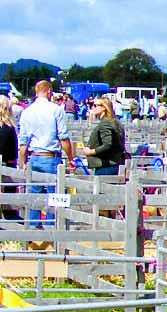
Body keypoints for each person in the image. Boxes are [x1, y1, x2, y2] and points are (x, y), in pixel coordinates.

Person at [17, 81, 75, 228]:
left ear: (36, 92)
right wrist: (70, 158)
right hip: (50, 157)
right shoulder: (56, 110)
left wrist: (23, 161)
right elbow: (63, 137)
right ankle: (51, 229)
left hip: (33, 157)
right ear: (49, 91)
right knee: (54, 195)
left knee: (34, 196)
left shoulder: (27, 111)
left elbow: (23, 141)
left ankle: (33, 230)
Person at [82, 98, 126, 176]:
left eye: (95, 105)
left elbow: (107, 145)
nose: (93, 108)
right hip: (114, 163)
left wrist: (91, 151)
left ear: (104, 107)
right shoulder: (115, 122)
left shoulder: (105, 123)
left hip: (105, 165)